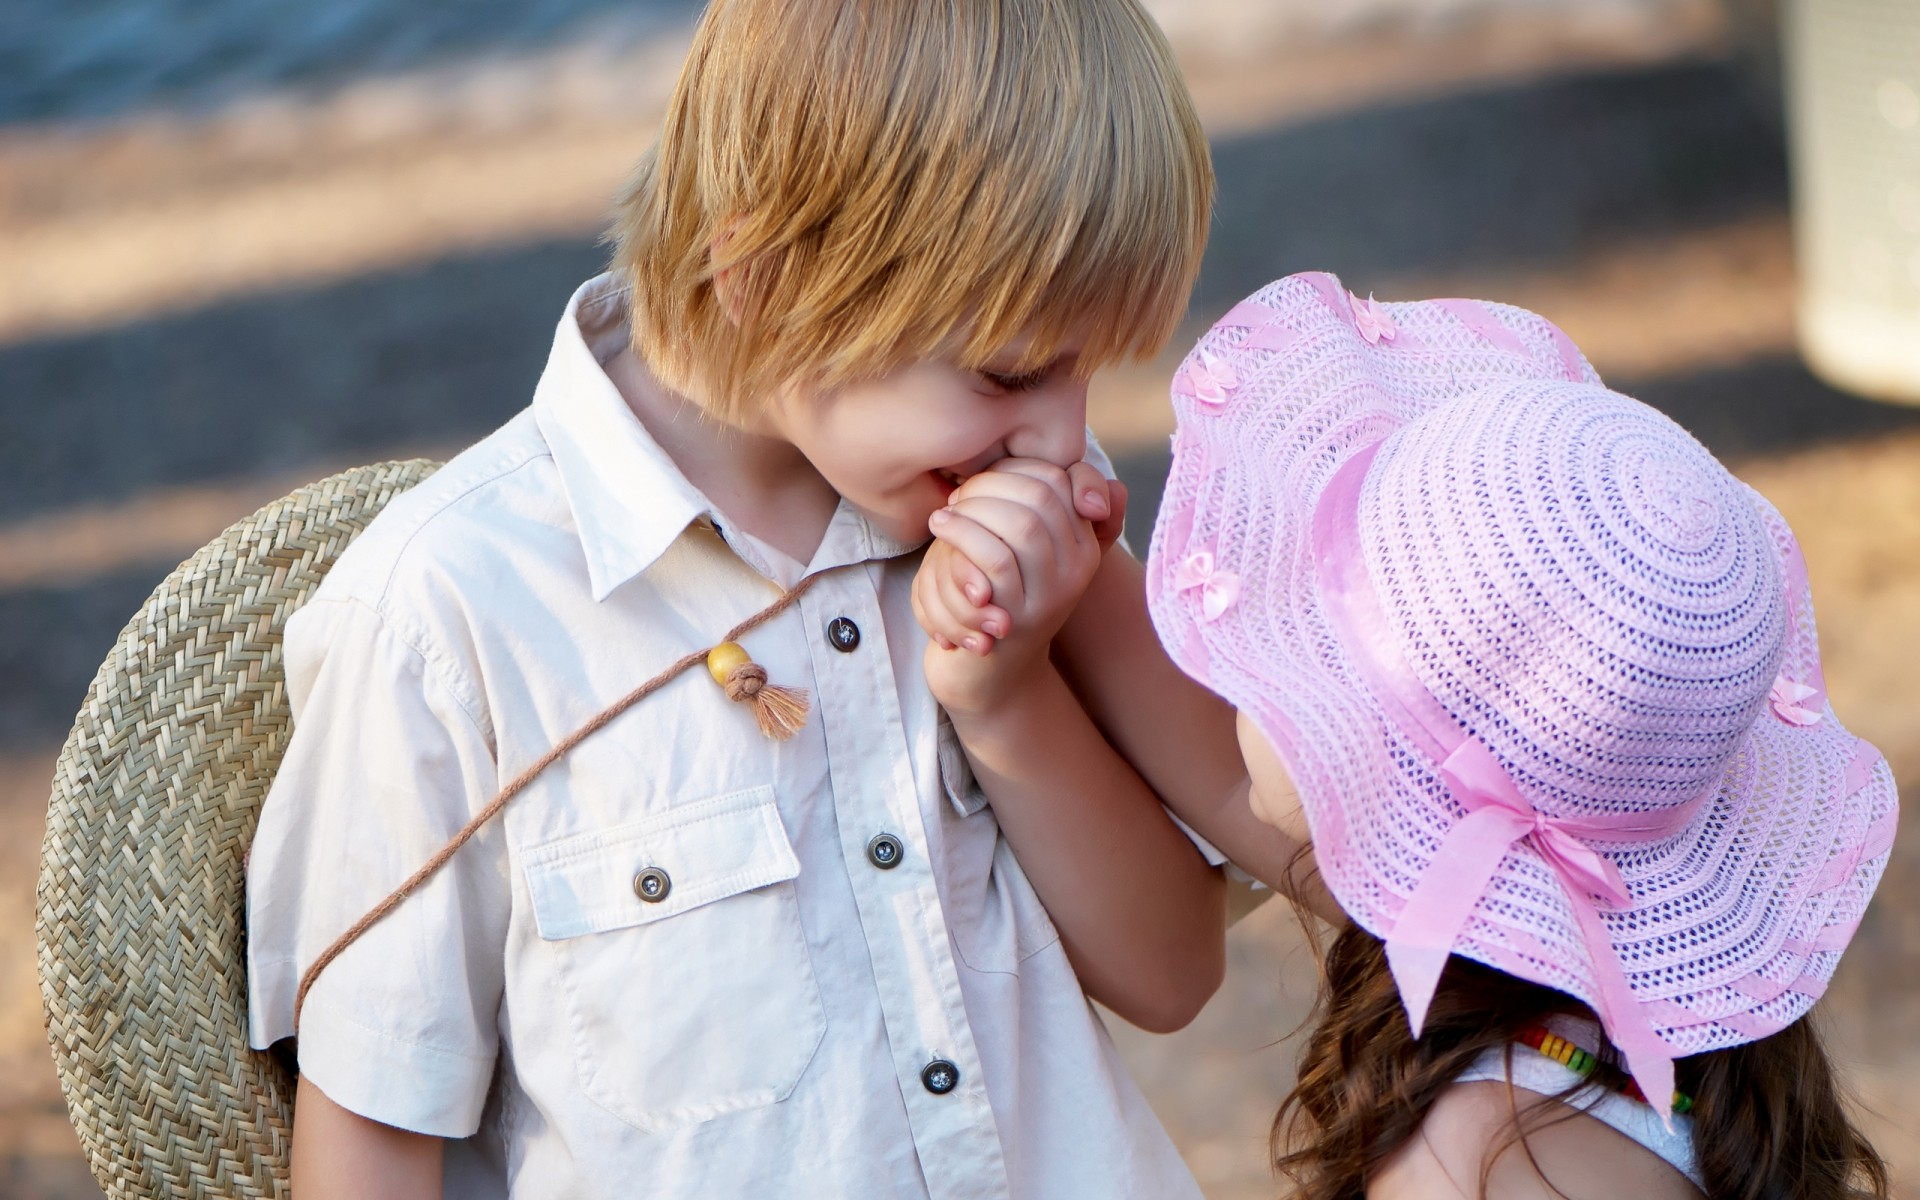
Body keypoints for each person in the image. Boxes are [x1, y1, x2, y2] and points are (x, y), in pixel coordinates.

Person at [243, 1, 1242, 1196]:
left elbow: (1174, 974)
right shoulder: (452, 616)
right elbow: (375, 1128)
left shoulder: (1002, 517)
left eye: (1085, 369)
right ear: (764, 279)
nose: (1067, 432)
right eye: (1014, 371)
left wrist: (1010, 697)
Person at [1137, 273, 1896, 1196]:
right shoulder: (1625, 1038)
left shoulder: (1477, 1161)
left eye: (1301, 630)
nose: (1238, 675)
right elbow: (1215, 774)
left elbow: (1226, 778)